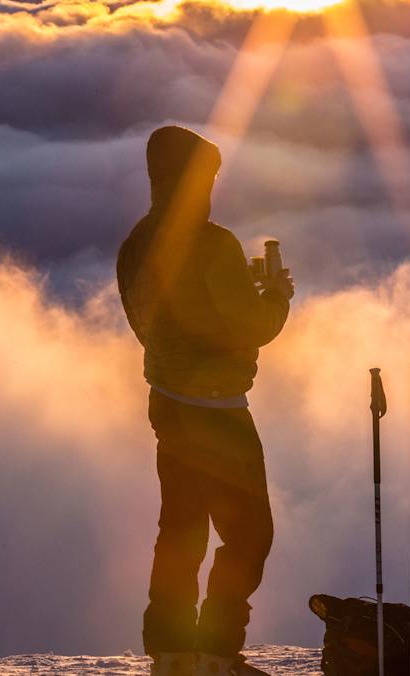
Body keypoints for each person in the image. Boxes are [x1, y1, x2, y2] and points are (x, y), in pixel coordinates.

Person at [117, 126, 295, 676]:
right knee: (248, 534)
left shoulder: (136, 243)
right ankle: (217, 655)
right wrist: (275, 298)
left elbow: (151, 324)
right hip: (216, 408)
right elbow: (252, 327)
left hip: (167, 401)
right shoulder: (214, 243)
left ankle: (171, 655)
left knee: (183, 526)